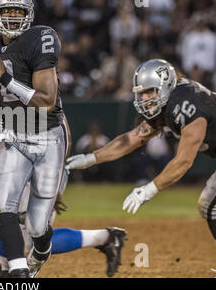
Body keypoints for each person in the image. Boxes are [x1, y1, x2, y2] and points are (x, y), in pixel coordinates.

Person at [0, 0, 124, 278]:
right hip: (17, 138)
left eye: (18, 11)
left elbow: (46, 103)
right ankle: (10, 270)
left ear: (29, 15)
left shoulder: (41, 38)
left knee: (36, 229)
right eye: (7, 11)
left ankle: (107, 237)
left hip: (47, 138)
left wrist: (5, 78)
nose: (12, 17)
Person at [66, 59, 216, 243]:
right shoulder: (171, 100)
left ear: (166, 85)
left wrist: (149, 190)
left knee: (210, 205)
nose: (144, 98)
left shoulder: (186, 105)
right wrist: (90, 158)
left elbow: (183, 162)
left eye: (148, 91)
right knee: (209, 205)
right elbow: (131, 139)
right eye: (141, 93)